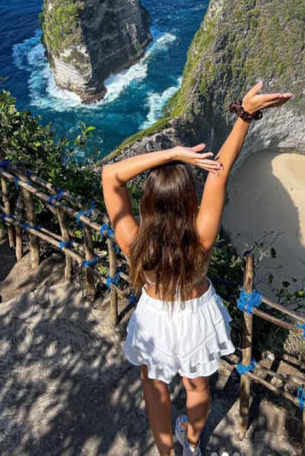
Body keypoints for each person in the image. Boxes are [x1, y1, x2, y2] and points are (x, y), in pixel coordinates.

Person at [101, 82, 292, 456]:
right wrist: (245, 115)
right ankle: (192, 446)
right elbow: (219, 172)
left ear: (149, 203)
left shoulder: (135, 243)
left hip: (155, 316)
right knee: (198, 387)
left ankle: (167, 453)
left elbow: (111, 176)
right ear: (189, 200)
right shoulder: (200, 239)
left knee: (155, 388)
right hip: (196, 315)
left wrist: (169, 154)